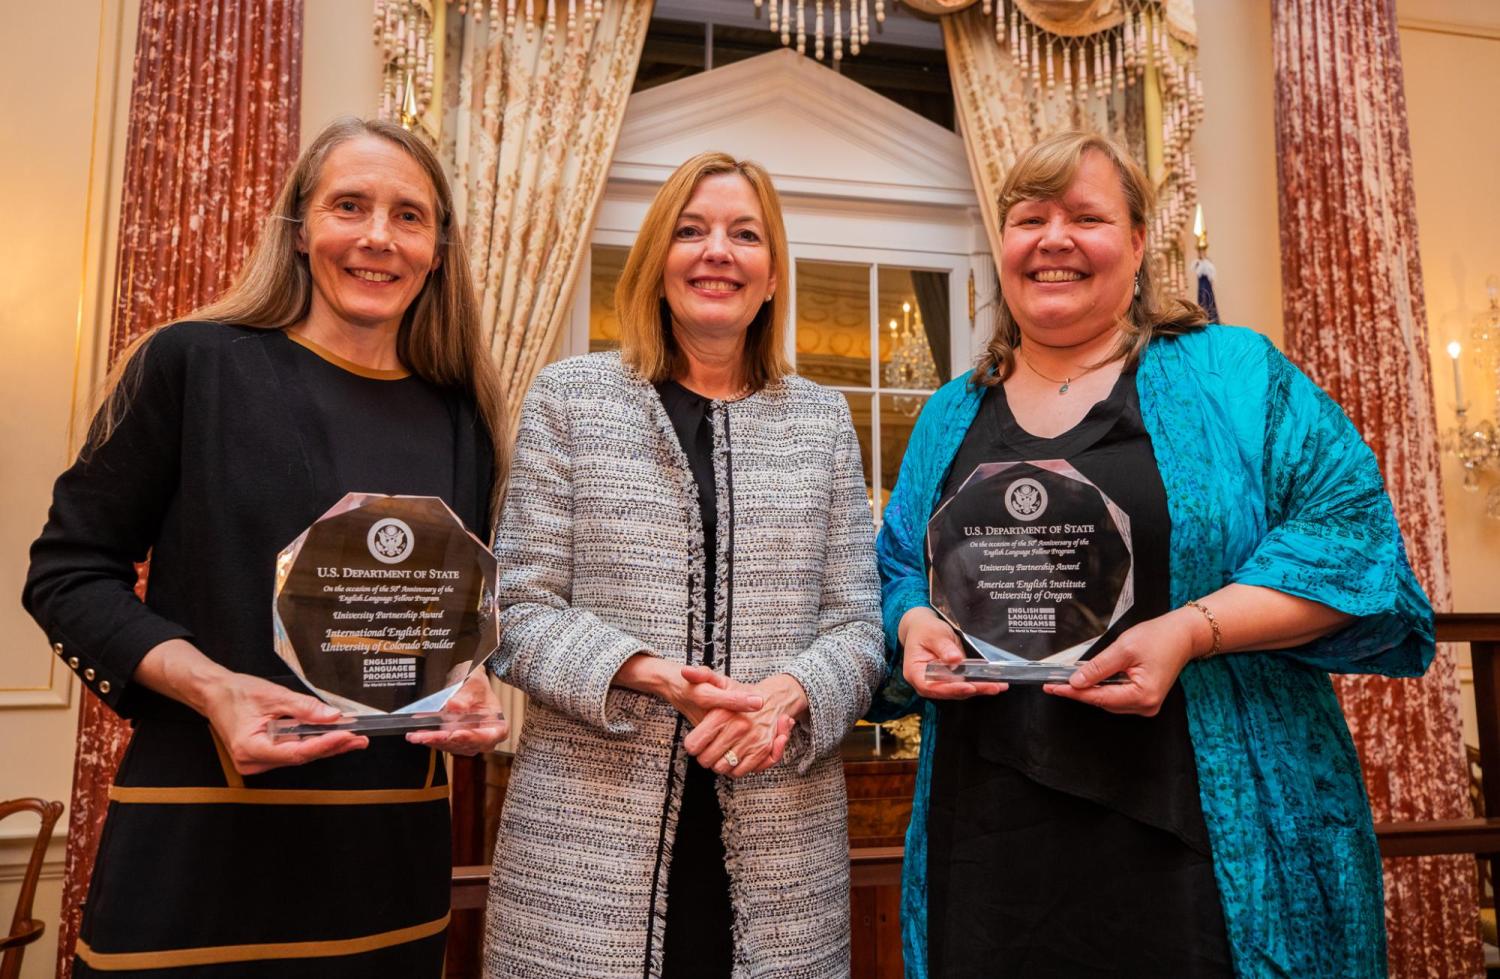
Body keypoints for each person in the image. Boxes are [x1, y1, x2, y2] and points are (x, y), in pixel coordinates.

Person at [870, 130, 1433, 978]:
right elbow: (899, 566)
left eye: (1086, 216)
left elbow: (1351, 541)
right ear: (1004, 245)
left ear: (1137, 243)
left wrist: (1191, 631)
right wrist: (913, 619)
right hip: (987, 835)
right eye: (1030, 218)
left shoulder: (1234, 375)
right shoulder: (951, 412)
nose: (1053, 238)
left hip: (1201, 833)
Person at [24, 117, 509, 977]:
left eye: (409, 216)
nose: (376, 237)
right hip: (197, 851)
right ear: (298, 230)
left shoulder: (462, 414)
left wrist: (471, 692)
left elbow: (445, 622)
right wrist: (213, 688)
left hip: (387, 876)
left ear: (438, 248)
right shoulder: (190, 364)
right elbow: (68, 576)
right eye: (349, 205)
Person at [483, 151, 885, 978]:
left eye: (745, 235)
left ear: (771, 275)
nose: (717, 252)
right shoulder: (570, 399)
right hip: (583, 849)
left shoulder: (822, 420)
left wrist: (789, 694)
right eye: (692, 231)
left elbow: (859, 626)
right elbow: (516, 612)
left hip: (782, 849)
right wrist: (653, 674)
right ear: (656, 261)